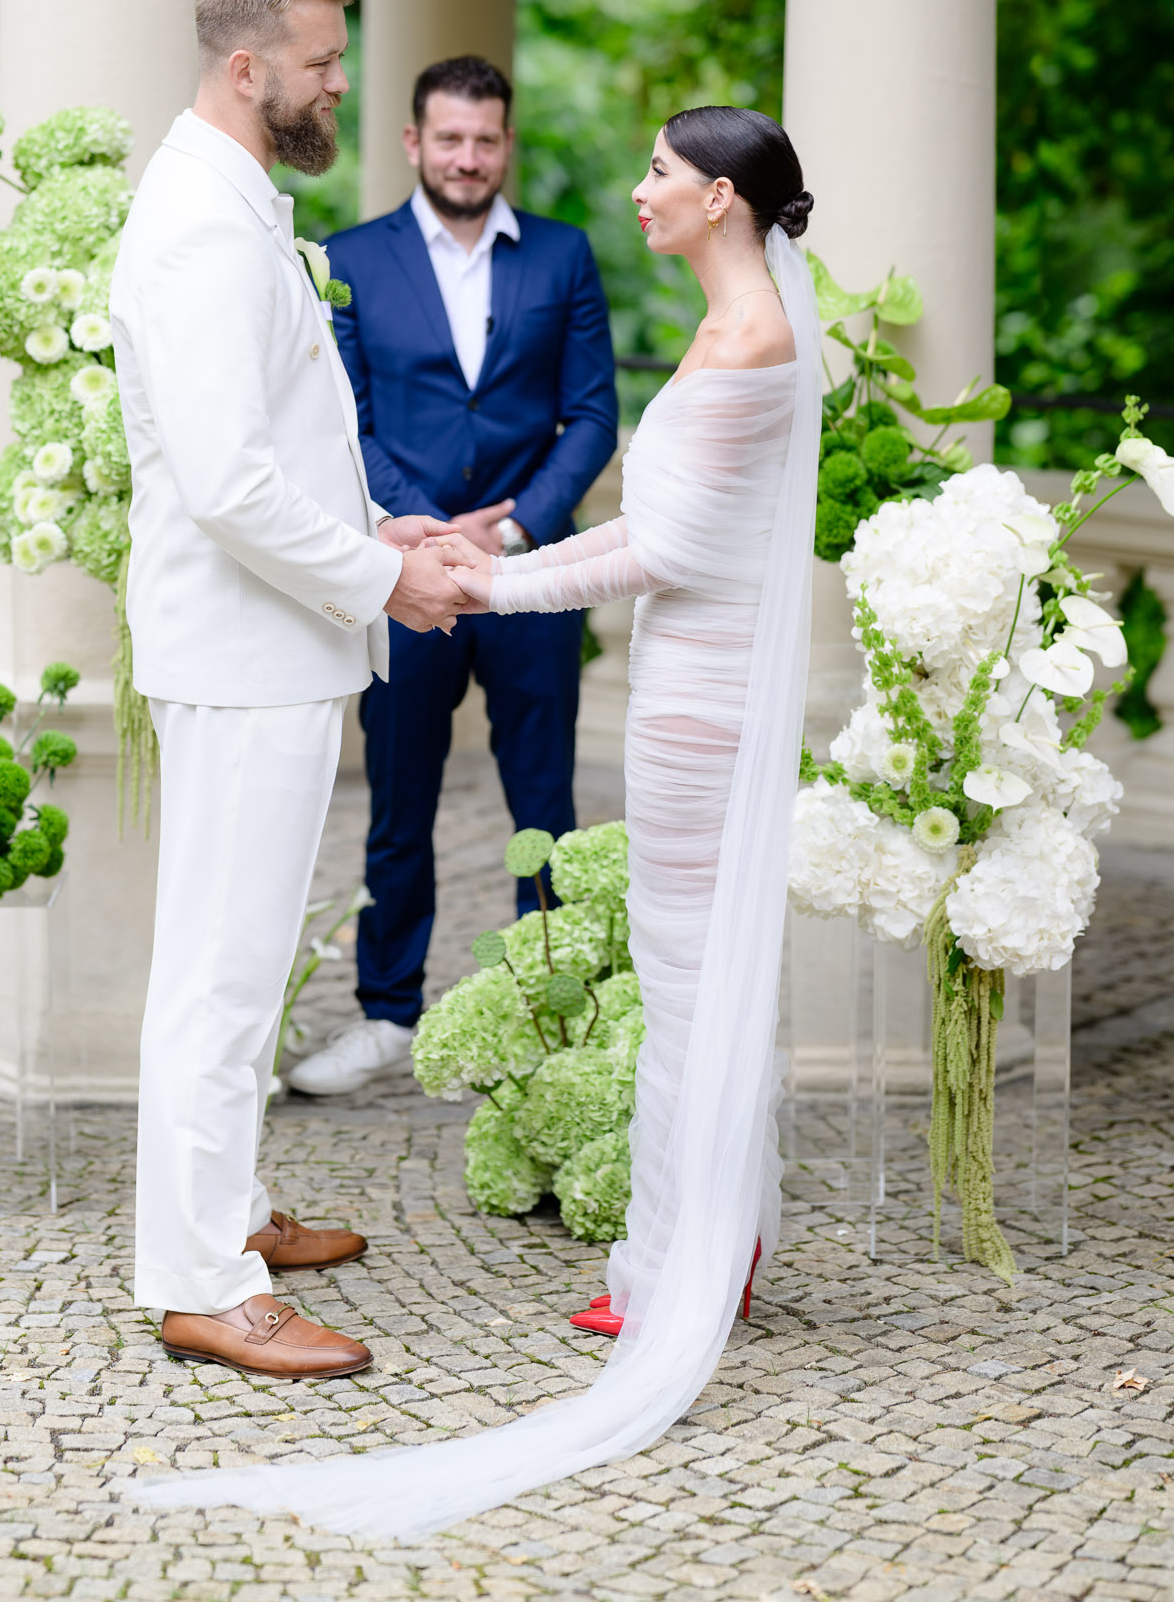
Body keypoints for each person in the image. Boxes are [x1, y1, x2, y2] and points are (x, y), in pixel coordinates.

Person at [133, 105, 822, 1532]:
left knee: (689, 982)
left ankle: (690, 1266)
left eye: (662, 176)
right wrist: (409, 552)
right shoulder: (726, 318)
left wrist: (476, 580)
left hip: (687, 694)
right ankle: (693, 1252)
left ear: (726, 202)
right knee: (680, 975)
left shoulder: (748, 338)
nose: (638, 193)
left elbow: (673, 543)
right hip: (653, 667)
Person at [110, 0, 466, 1382]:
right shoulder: (197, 223)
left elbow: (280, 449)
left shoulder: (241, 204)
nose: (337, 84)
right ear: (247, 67)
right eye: (321, 61)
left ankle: (238, 1212)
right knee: (220, 971)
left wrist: (382, 521)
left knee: (248, 962)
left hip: (278, 644)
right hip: (244, 651)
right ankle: (199, 1281)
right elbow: (226, 488)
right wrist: (388, 577)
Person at [287, 56, 617, 1097]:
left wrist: (517, 526)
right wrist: (412, 531)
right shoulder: (351, 257)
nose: (468, 157)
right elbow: (347, 420)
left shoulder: (562, 257)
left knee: (544, 802)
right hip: (409, 575)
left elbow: (594, 413)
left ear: (505, 145)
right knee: (400, 800)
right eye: (450, 138)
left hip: (528, 576)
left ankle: (549, 1015)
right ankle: (387, 1014)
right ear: (413, 143)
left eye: (486, 140)